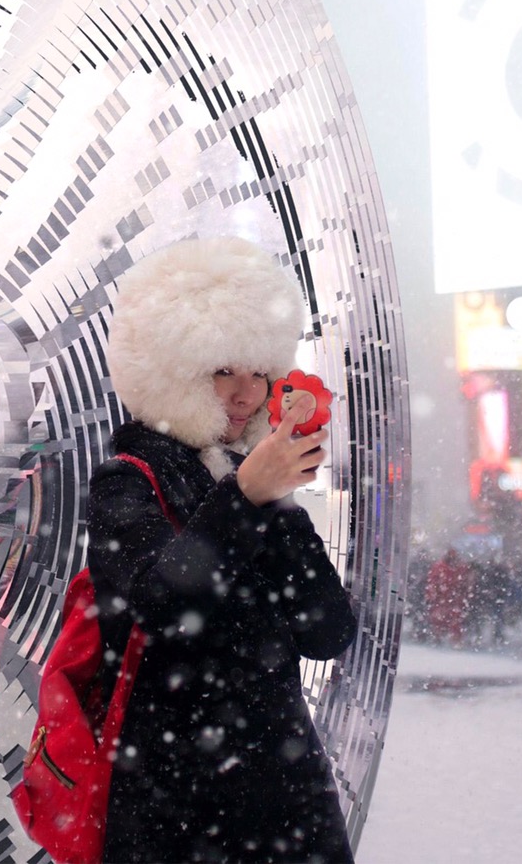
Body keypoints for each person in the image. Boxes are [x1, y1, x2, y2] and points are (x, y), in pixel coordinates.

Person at [90, 237, 358, 864]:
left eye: (258, 371)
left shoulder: (252, 475)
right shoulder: (128, 478)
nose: (246, 393)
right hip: (178, 812)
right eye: (222, 370)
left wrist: (274, 502)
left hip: (287, 805)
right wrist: (244, 497)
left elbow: (328, 631)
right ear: (173, 370)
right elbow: (158, 609)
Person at [424, 549, 470, 647]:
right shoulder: (440, 567)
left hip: (452, 599)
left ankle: (454, 640)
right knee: (439, 620)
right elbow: (433, 582)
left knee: (454, 620)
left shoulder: (458, 568)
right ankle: (438, 637)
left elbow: (464, 584)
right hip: (443, 599)